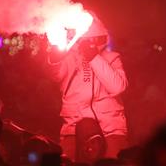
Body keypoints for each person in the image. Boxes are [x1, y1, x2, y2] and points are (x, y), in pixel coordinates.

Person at [46, 12, 129, 162]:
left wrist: (94, 58)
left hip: (110, 127)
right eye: (85, 41)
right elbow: (55, 76)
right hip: (73, 125)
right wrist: (54, 60)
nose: (88, 44)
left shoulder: (112, 58)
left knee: (114, 162)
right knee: (68, 161)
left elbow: (117, 87)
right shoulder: (68, 58)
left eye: (93, 40)